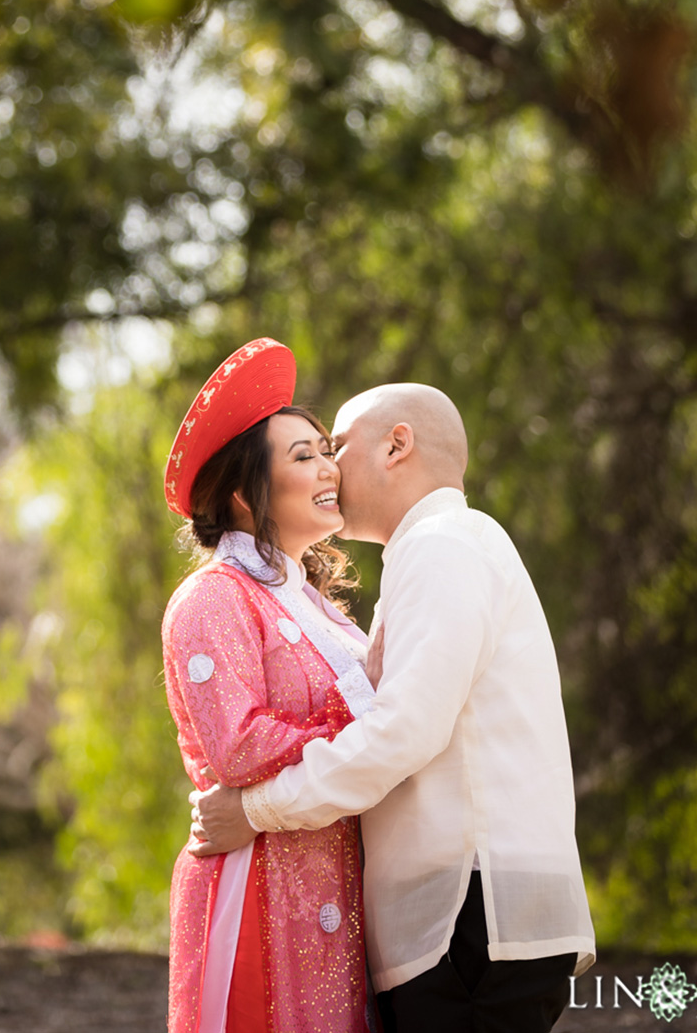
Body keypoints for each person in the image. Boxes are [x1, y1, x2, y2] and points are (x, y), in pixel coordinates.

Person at [191, 381, 597, 1032]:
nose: (329, 468)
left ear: (396, 444)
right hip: (473, 921)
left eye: (338, 446)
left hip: (470, 919)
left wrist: (257, 810)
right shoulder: (436, 549)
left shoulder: (444, 545)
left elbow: (402, 733)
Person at [159, 338, 376, 1033]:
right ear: (242, 495)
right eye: (304, 456)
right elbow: (240, 746)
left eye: (326, 451)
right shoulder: (214, 598)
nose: (329, 468)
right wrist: (366, 721)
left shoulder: (316, 605)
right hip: (259, 882)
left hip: (333, 870)